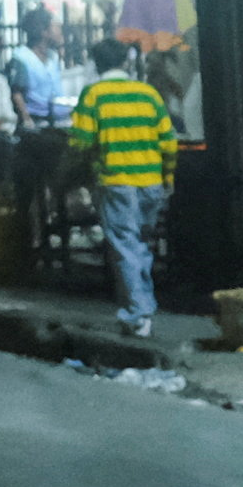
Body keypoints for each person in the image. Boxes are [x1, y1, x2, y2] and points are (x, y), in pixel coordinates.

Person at [75, 39, 180, 338]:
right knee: (140, 245)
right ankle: (142, 309)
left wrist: (78, 171)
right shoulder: (147, 94)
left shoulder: (94, 95)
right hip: (151, 183)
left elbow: (80, 143)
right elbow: (168, 142)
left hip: (117, 182)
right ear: (125, 62)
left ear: (97, 64)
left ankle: (139, 313)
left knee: (124, 247)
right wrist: (167, 178)